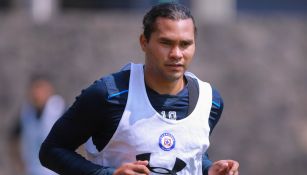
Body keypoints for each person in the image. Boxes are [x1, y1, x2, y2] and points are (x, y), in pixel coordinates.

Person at [39, 3, 239, 175]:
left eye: (185, 44)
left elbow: (189, 150)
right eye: (166, 43)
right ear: (144, 42)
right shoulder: (108, 94)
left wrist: (208, 169)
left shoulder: (210, 100)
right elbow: (51, 150)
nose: (176, 54)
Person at [10, 75, 66, 175]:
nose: (37, 93)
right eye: (34, 89)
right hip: (32, 170)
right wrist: (19, 163)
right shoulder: (26, 113)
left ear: (50, 90)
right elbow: (13, 138)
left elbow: (81, 137)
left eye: (40, 89)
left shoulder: (59, 109)